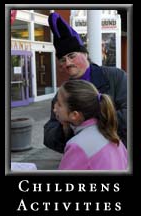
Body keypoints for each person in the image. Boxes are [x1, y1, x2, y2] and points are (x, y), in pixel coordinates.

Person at [43, 12, 127, 153]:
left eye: (71, 56)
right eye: (62, 60)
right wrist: (65, 127)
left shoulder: (115, 77)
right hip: (82, 156)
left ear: (85, 54)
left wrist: (86, 122)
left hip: (117, 152)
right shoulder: (63, 93)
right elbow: (49, 135)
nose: (68, 63)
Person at [55, 79, 128, 170]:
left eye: (59, 104)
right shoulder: (110, 134)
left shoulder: (77, 146)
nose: (55, 109)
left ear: (74, 115)